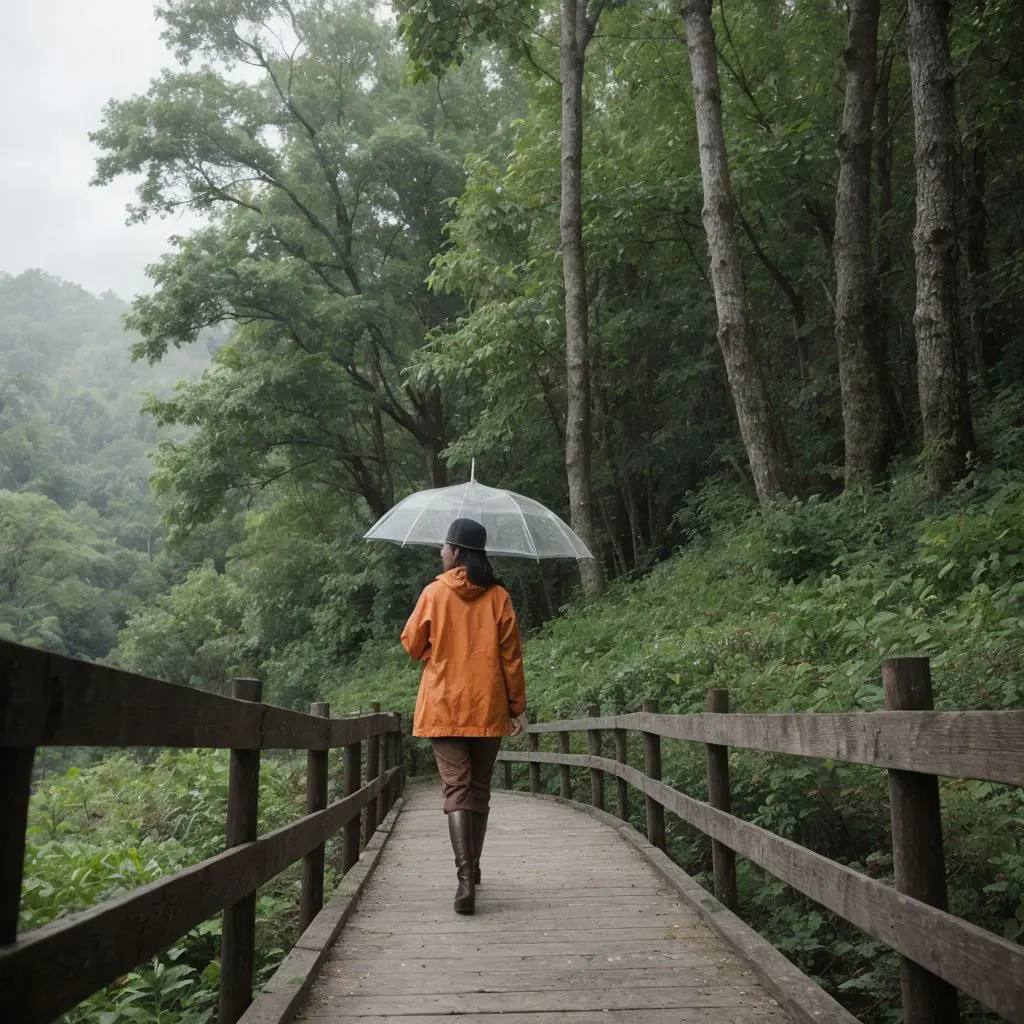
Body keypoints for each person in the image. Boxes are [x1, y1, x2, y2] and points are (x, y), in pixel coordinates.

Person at [400, 517, 528, 915]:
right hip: (487, 707)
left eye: (444, 546)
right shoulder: (499, 598)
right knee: (480, 791)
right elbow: (511, 659)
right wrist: (517, 707)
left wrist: (432, 651)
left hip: (444, 706)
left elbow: (411, 643)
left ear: (456, 551)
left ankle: (464, 880)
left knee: (455, 790)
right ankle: (472, 867)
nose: (440, 551)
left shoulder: (434, 593)